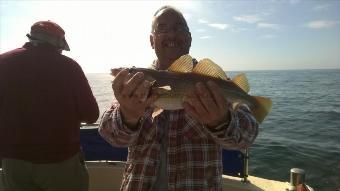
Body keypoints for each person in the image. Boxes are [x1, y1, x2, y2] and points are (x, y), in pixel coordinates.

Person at [99, 6, 258, 191]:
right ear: (152, 40)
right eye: (163, 28)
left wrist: (221, 121)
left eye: (179, 28)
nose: (172, 34)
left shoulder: (215, 84)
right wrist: (127, 115)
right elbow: (109, 135)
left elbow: (249, 134)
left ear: (189, 38)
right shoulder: (136, 86)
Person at [0, 20, 99, 191]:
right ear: (58, 43)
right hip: (60, 162)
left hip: (13, 163)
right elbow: (91, 115)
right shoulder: (70, 67)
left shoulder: (3, 62)